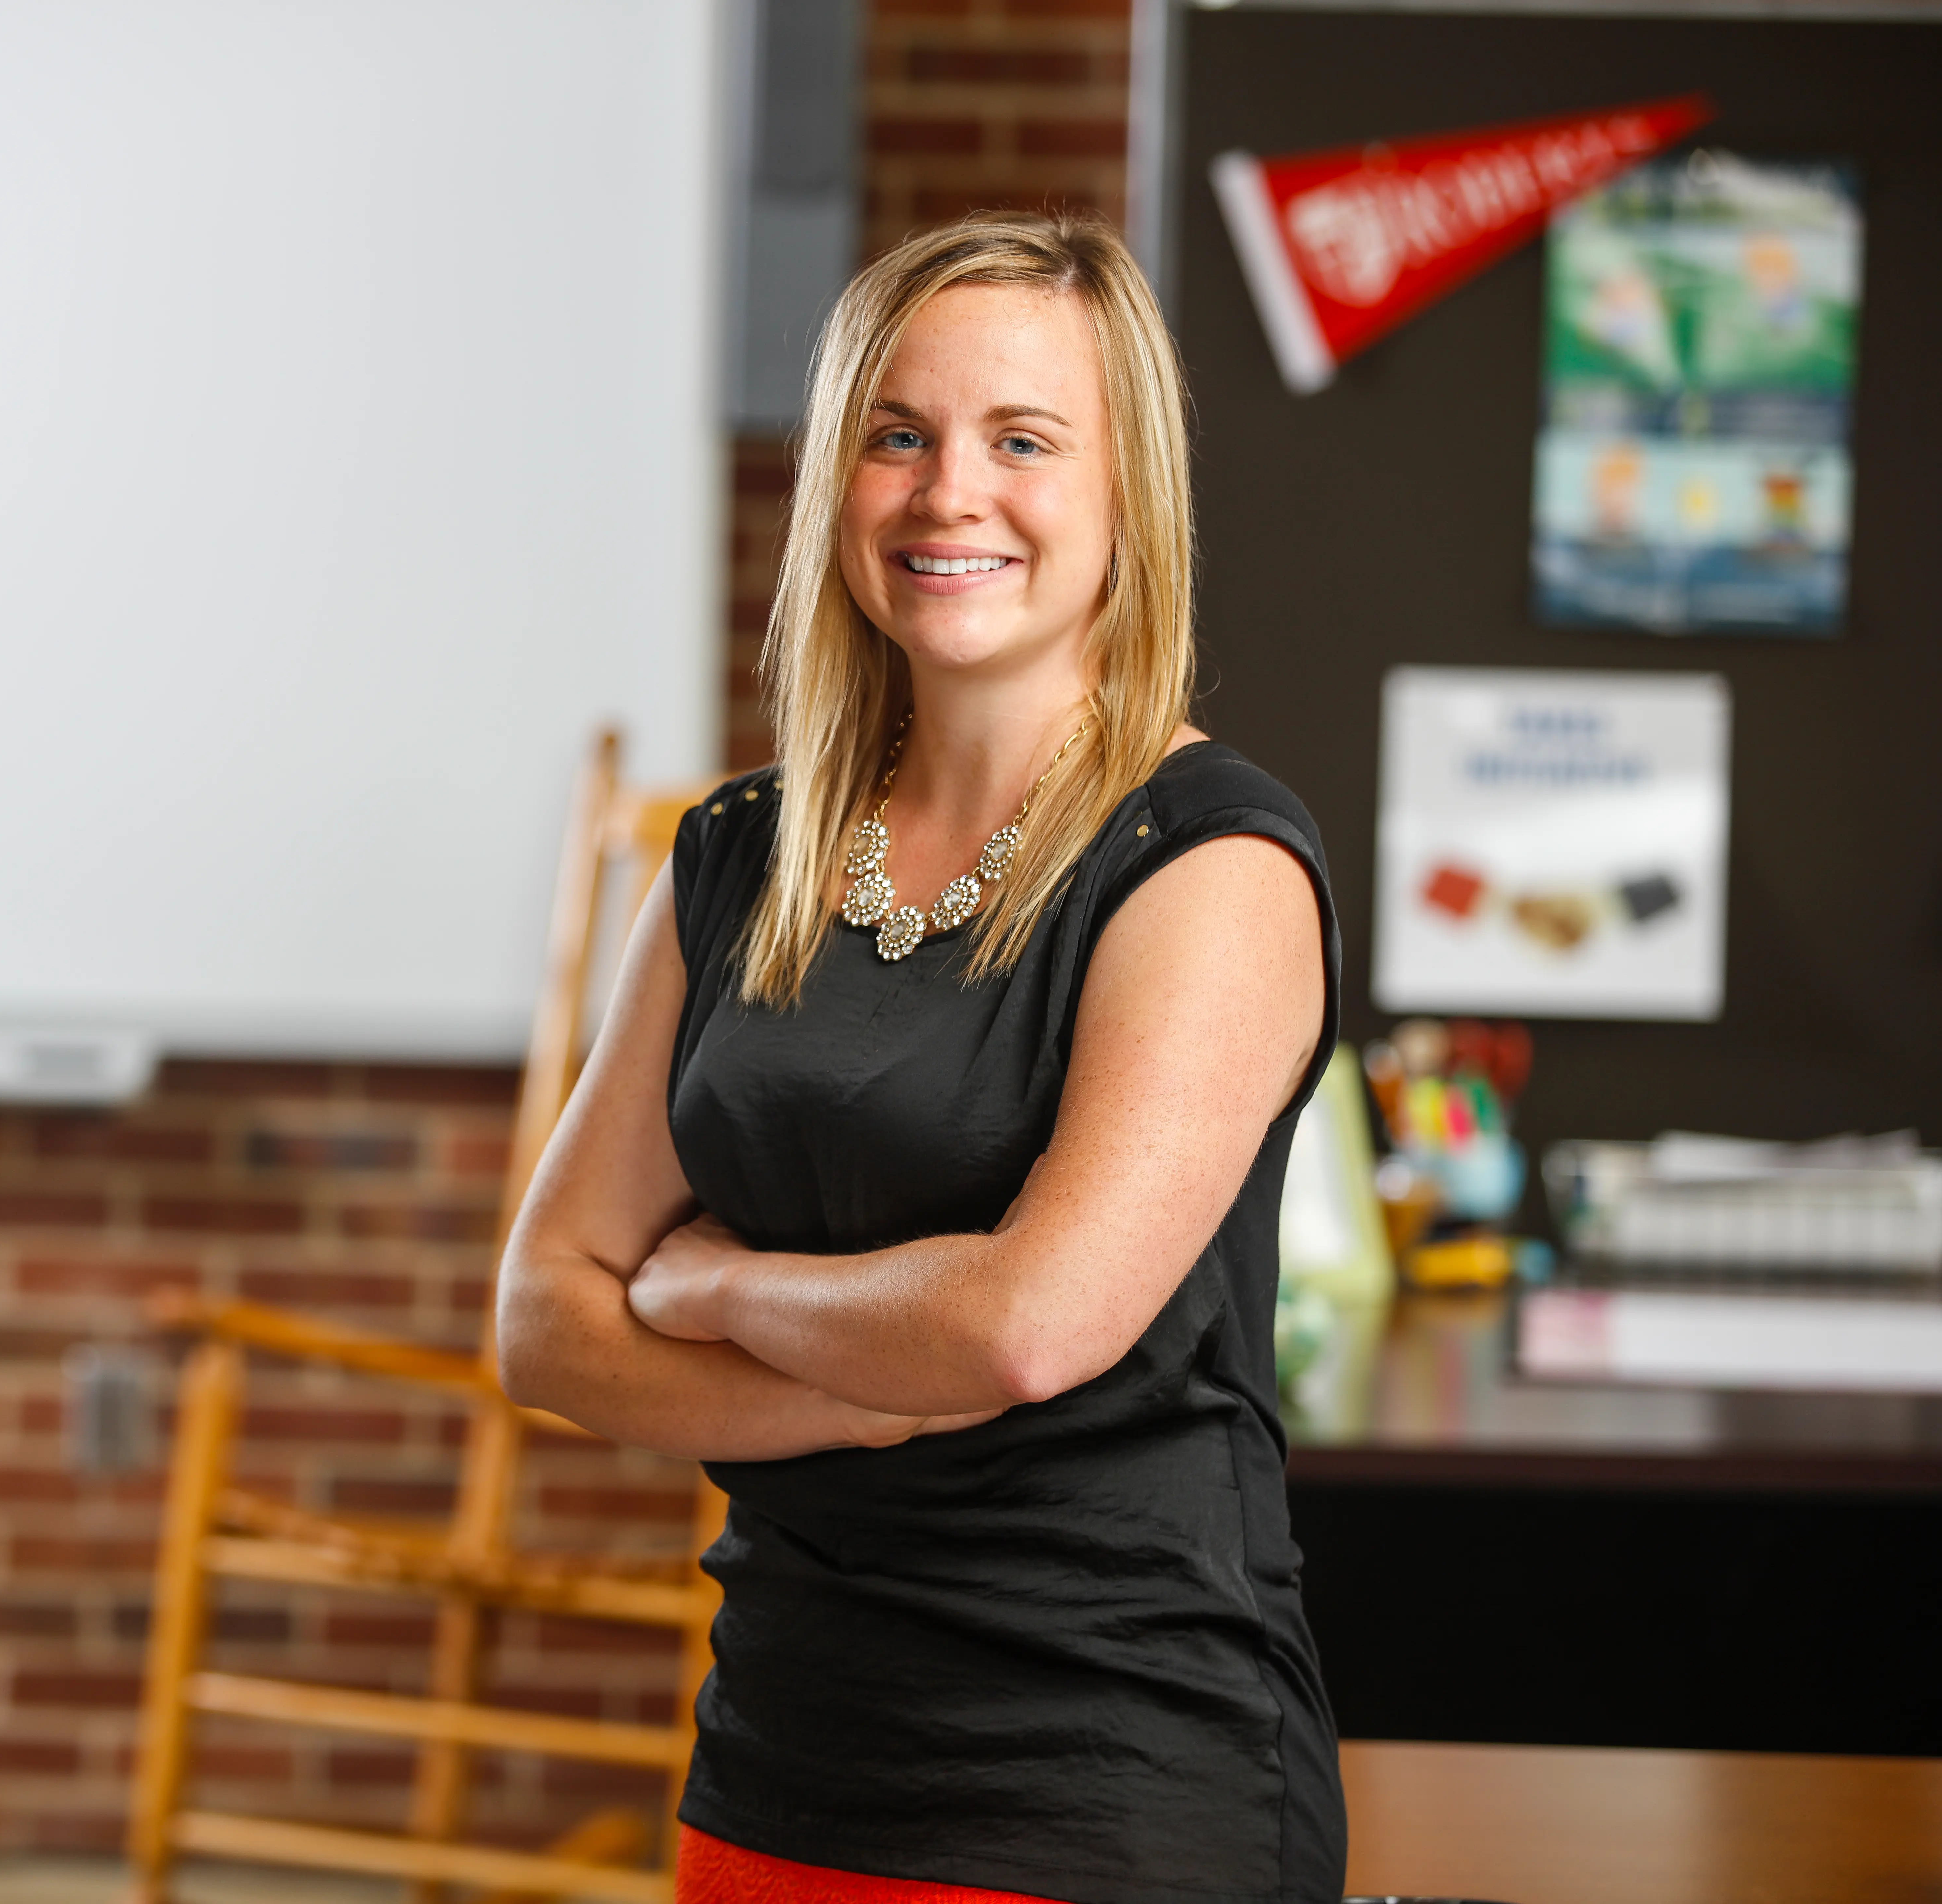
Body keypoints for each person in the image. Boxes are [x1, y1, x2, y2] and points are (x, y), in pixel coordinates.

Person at [496, 212, 1348, 1904]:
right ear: (838, 484)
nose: (950, 490)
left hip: (1102, 1778)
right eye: (898, 434)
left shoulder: (1212, 866)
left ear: (1129, 493)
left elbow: (1027, 1325)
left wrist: (720, 1291)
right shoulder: (744, 852)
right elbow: (542, 1313)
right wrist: (863, 1382)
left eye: (1023, 439)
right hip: (781, 1757)